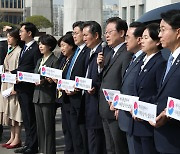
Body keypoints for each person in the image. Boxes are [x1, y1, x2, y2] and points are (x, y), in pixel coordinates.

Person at [97, 17, 132, 154]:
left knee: (119, 147)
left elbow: (125, 81)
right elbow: (105, 78)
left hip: (115, 108)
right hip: (105, 107)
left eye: (110, 32)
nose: (106, 35)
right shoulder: (109, 52)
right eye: (106, 32)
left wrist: (120, 105)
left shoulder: (126, 53)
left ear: (122, 33)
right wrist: (100, 67)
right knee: (110, 147)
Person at [149, 10, 180, 154]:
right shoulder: (170, 60)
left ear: (178, 32)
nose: (159, 34)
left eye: (163, 29)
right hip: (163, 138)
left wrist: (169, 113)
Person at [132, 23, 166, 154]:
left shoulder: (160, 63)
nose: (142, 41)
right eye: (141, 37)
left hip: (148, 123)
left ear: (157, 41)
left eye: (146, 37)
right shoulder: (142, 61)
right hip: (137, 121)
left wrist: (143, 107)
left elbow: (159, 93)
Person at [11, 22, 42, 154]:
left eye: (22, 31)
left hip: (29, 88)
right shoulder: (25, 47)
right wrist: (11, 74)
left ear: (29, 33)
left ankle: (33, 146)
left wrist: (23, 77)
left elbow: (36, 69)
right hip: (21, 87)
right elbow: (23, 67)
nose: (19, 33)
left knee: (31, 117)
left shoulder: (35, 48)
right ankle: (28, 143)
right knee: (26, 118)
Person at [115, 22, 145, 154]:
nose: (125, 41)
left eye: (128, 37)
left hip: (137, 119)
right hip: (127, 116)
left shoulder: (144, 60)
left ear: (139, 40)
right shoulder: (134, 58)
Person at [62, 21, 90, 154]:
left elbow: (86, 75)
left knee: (81, 135)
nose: (74, 36)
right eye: (73, 33)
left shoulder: (87, 51)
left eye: (76, 33)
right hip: (68, 96)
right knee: (72, 132)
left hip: (79, 98)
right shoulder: (77, 51)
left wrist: (78, 87)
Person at [82, 21, 107, 154]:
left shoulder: (103, 52)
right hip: (87, 102)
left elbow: (103, 78)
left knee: (96, 143)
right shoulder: (89, 52)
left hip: (96, 104)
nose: (83, 38)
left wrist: (94, 86)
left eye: (86, 35)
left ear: (96, 35)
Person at [33, 34, 59, 154]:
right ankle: (42, 149)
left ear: (49, 46)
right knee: (40, 127)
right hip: (37, 96)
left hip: (47, 96)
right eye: (39, 44)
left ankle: (49, 150)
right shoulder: (39, 60)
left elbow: (56, 80)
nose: (40, 46)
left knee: (48, 127)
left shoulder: (54, 60)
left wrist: (47, 81)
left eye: (42, 44)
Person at [0, 28, 23, 149]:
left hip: (13, 83)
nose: (8, 39)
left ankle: (17, 138)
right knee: (8, 110)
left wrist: (15, 86)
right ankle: (12, 136)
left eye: (10, 37)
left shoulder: (19, 51)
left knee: (15, 111)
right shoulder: (9, 50)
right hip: (6, 81)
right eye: (7, 36)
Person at [56, 32, 77, 154]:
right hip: (63, 97)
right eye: (61, 46)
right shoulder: (64, 60)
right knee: (66, 129)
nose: (62, 49)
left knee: (73, 129)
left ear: (71, 45)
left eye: (64, 45)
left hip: (71, 97)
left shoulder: (74, 59)